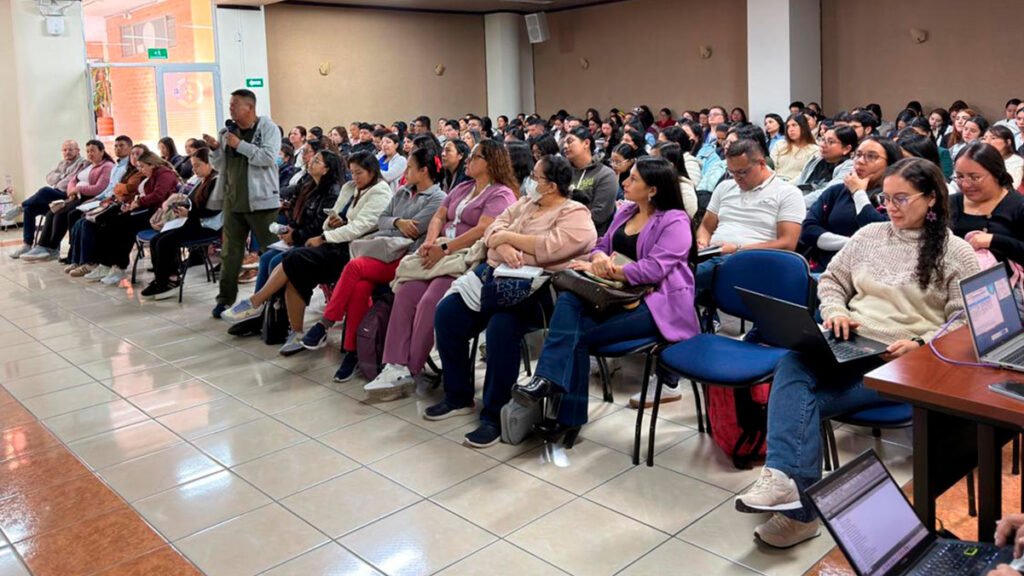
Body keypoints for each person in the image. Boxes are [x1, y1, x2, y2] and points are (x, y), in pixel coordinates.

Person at [735, 158, 979, 549]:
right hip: (851, 342)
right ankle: (784, 484)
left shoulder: (957, 253)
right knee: (795, 360)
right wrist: (836, 312)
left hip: (904, 362)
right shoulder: (869, 236)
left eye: (902, 198)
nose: (891, 207)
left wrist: (921, 343)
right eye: (886, 198)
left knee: (801, 397)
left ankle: (797, 511)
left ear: (931, 199)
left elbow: (964, 322)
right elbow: (831, 282)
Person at [511, 156, 699, 438]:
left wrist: (609, 270)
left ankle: (563, 409)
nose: (625, 181)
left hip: (657, 303)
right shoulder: (626, 212)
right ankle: (550, 387)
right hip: (616, 294)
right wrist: (598, 258)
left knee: (574, 336)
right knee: (569, 301)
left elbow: (654, 269)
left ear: (653, 190)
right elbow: (601, 244)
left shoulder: (675, 220)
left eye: (633, 179)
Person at [427, 155, 598, 444]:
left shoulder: (575, 214)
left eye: (536, 177)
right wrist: (503, 245)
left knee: (501, 327)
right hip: (498, 275)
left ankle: (493, 415)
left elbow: (550, 249)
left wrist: (507, 240)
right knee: (447, 314)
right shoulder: (527, 203)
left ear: (552, 186)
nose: (530, 182)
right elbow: (492, 229)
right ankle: (458, 395)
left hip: (538, 289)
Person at [363, 140, 518, 399]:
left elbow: (483, 230)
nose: (468, 161)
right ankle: (394, 364)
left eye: (475, 157)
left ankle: (411, 367)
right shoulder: (463, 187)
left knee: (430, 300)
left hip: (466, 257)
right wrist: (431, 241)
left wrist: (445, 250)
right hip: (441, 249)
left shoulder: (501, 193)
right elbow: (439, 216)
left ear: (490, 162)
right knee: (406, 292)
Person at [222, 151, 388, 355]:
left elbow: (360, 227)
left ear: (372, 172)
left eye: (359, 173)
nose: (354, 177)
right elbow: (329, 218)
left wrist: (325, 236)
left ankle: (257, 302)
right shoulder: (348, 187)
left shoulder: (380, 192)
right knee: (291, 265)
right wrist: (335, 223)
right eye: (352, 173)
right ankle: (295, 330)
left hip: (353, 250)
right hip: (336, 242)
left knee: (293, 259)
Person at [303, 147, 446, 381]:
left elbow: (414, 230)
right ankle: (352, 351)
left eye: (410, 167)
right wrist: (398, 221)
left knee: (355, 267)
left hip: (404, 258)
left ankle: (327, 322)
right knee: (360, 287)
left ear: (424, 171)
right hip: (382, 251)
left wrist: (395, 224)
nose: (405, 171)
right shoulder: (401, 193)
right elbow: (383, 221)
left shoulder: (437, 198)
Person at [203, 88, 282, 318]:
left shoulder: (268, 128)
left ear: (250, 107)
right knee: (230, 253)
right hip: (233, 201)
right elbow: (220, 166)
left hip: (262, 202)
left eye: (235, 104)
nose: (231, 108)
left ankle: (274, 298)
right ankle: (224, 300)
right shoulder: (226, 132)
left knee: (272, 252)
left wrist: (240, 145)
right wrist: (217, 149)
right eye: (230, 105)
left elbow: (268, 158)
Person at [696, 139, 805, 298]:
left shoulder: (787, 193)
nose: (737, 178)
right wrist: (702, 243)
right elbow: (706, 226)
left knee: (677, 279)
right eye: (731, 172)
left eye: (742, 172)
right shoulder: (725, 187)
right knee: (671, 270)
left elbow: (787, 244)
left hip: (753, 259)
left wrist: (737, 249)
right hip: (714, 255)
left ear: (761, 163)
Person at [801, 136, 901, 271]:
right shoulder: (836, 191)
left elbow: (879, 235)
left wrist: (858, 193)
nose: (860, 161)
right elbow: (808, 230)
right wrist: (854, 243)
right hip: (825, 268)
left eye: (871, 157)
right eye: (858, 155)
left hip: (869, 273)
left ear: (890, 164)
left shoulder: (894, 198)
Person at [140, 148, 222, 299]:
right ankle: (163, 278)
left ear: (210, 164)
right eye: (193, 165)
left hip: (208, 226)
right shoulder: (201, 180)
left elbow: (213, 210)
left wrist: (189, 213)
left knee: (164, 242)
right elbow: (194, 203)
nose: (194, 169)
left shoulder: (217, 182)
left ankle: (170, 280)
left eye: (197, 165)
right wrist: (182, 207)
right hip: (194, 221)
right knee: (156, 240)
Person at [90, 151, 179, 285]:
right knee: (110, 222)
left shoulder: (165, 174)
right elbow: (141, 194)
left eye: (142, 166)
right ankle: (107, 263)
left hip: (158, 214)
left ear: (152, 165)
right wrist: (131, 204)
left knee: (124, 226)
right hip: (146, 209)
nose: (141, 170)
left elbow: (158, 195)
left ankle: (119, 267)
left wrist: (138, 203)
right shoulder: (151, 175)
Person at [20, 140, 116, 262]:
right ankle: (42, 246)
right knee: (51, 212)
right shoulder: (89, 166)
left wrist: (77, 189)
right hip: (74, 196)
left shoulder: (104, 166)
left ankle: (52, 248)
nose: (90, 154)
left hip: (88, 198)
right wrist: (72, 190)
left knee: (59, 210)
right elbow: (70, 180)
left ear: (102, 151)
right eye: (88, 151)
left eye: (93, 151)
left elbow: (98, 188)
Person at [71, 144, 149, 277]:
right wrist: (114, 194)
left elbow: (128, 189)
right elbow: (117, 189)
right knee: (82, 220)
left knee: (104, 224)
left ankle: (100, 263)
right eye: (133, 154)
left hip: (133, 208)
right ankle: (81, 260)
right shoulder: (128, 171)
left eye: (138, 154)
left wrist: (121, 192)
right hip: (117, 202)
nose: (135, 157)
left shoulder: (142, 173)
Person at [7, 140, 87, 258]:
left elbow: (68, 182)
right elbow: (49, 178)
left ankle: (20, 207)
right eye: (65, 150)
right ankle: (27, 245)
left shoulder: (82, 163)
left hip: (67, 197)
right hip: (55, 197)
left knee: (45, 191)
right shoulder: (62, 163)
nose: (67, 152)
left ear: (78, 150)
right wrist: (61, 176)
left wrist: (59, 178)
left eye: (71, 149)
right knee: (30, 209)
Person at [949, 142, 1024, 265]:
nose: (965, 184)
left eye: (975, 177)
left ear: (996, 174)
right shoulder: (950, 203)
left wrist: (994, 240)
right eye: (960, 176)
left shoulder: (1018, 206)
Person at [563, 127, 617, 235]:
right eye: (564, 143)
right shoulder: (564, 172)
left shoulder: (605, 175)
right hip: (563, 230)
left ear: (586, 143)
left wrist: (564, 221)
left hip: (590, 235)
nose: (565, 146)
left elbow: (599, 215)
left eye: (570, 142)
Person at [796, 125, 858, 207]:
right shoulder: (816, 160)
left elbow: (827, 193)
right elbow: (800, 181)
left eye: (830, 142)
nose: (822, 145)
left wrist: (795, 204)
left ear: (846, 149)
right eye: (823, 140)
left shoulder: (849, 167)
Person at [651, 142, 699, 218]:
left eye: (655, 161)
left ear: (670, 165)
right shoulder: (653, 182)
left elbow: (686, 219)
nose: (649, 164)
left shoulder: (685, 191)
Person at [770, 114, 820, 182]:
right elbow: (771, 167)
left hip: (797, 185)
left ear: (803, 127)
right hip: (776, 182)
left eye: (794, 125)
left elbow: (806, 173)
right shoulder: (780, 144)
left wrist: (787, 186)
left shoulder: (814, 149)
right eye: (788, 127)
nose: (790, 129)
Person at [983, 125, 1023, 189]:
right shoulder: (981, 159)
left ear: (1008, 142)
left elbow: (1013, 187)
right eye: (984, 138)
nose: (987, 142)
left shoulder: (1016, 161)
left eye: (993, 138)